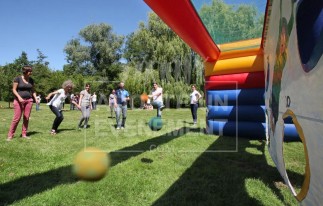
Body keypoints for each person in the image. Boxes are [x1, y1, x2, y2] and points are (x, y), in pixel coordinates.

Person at [7, 65, 39, 141]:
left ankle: (24, 134)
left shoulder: (31, 80)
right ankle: (10, 135)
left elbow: (33, 90)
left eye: (31, 71)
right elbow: (14, 90)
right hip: (18, 101)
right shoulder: (17, 79)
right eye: (29, 71)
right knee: (16, 118)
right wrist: (19, 97)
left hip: (29, 100)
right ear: (25, 71)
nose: (31, 73)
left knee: (26, 118)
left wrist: (35, 98)